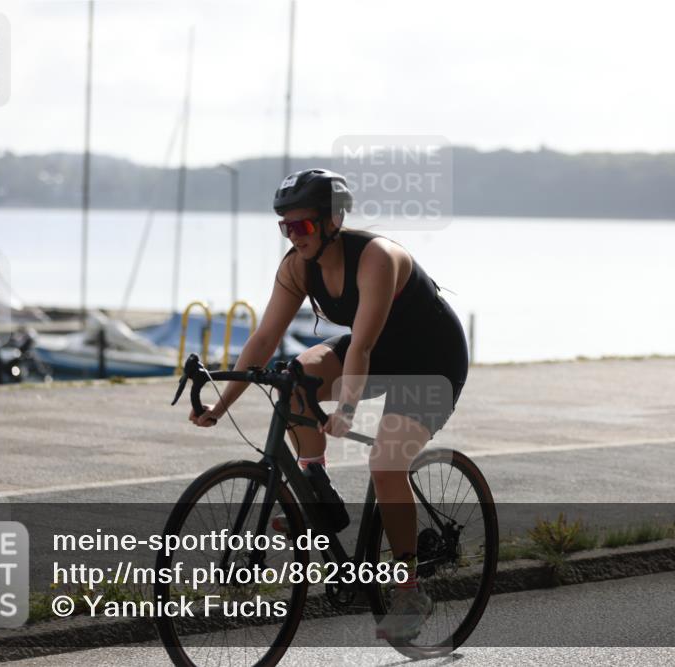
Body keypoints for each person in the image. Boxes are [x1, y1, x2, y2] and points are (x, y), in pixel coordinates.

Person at [189, 168, 469, 641]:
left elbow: (358, 350)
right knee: (295, 375)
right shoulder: (298, 266)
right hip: (378, 352)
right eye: (286, 227)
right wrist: (221, 404)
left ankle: (409, 588)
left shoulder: (376, 259)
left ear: (333, 220)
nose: (294, 236)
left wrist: (346, 412)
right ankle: (319, 490)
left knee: (385, 464)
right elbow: (263, 339)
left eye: (303, 226)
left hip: (430, 362)